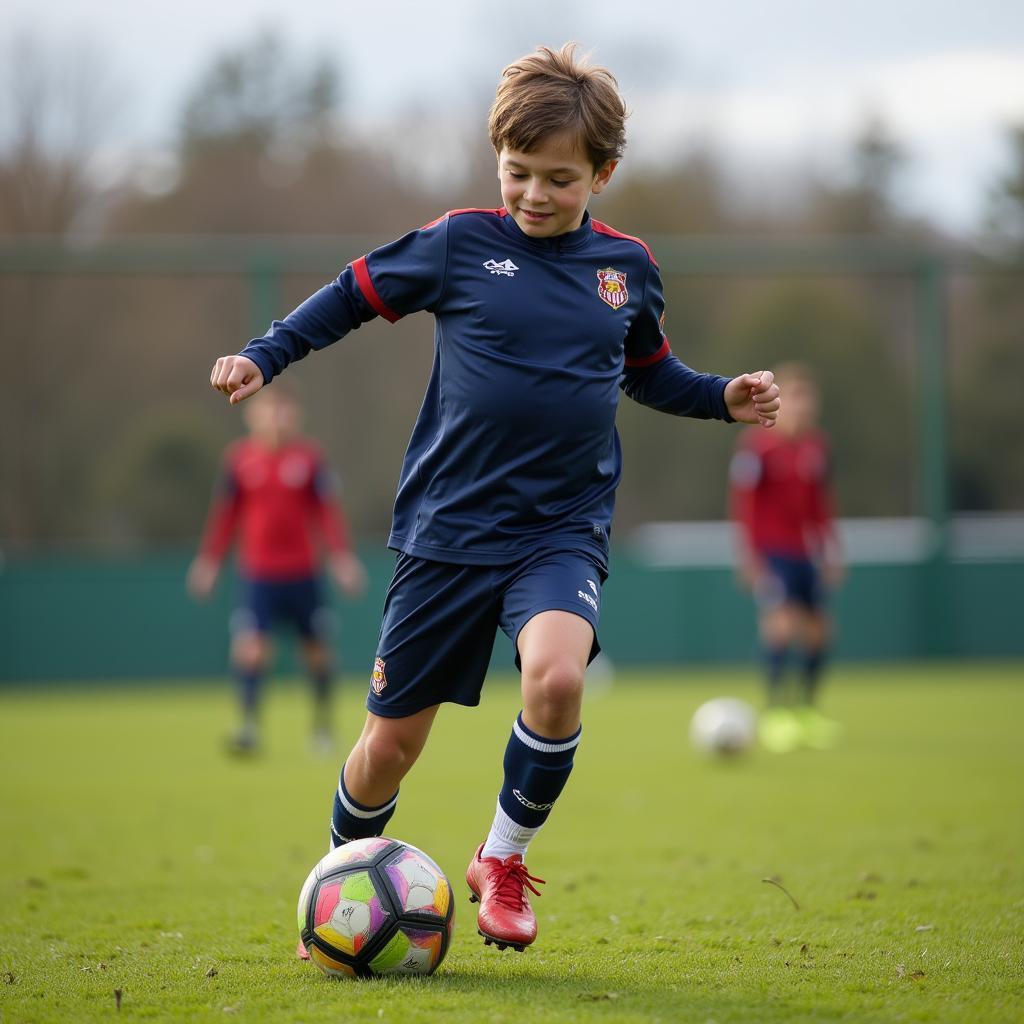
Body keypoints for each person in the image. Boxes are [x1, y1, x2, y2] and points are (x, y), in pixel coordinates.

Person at [207, 43, 781, 953]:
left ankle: (502, 858)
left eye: (560, 178)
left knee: (557, 678)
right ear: (497, 163)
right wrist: (265, 354)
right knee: (388, 749)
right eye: (518, 174)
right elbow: (350, 296)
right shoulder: (457, 244)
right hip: (447, 532)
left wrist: (718, 397)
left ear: (603, 172)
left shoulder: (626, 268)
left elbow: (648, 372)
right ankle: (341, 890)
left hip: (559, 531)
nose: (535, 194)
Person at [187, 385, 367, 755]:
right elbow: (226, 517)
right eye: (268, 411)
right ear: (252, 416)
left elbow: (327, 513)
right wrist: (209, 561)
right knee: (251, 649)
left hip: (304, 573)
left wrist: (342, 557)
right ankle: (249, 726)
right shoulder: (238, 460)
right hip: (259, 574)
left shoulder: (310, 458)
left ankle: (321, 729)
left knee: (316, 650)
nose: (275, 418)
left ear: (295, 416)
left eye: (282, 411)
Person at [729, 362, 844, 753]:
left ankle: (807, 712)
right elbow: (743, 505)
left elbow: (821, 505)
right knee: (780, 627)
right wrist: (749, 557)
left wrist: (831, 550)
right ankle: (776, 715)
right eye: (796, 400)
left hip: (804, 554)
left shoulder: (816, 448)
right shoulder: (758, 448)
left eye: (808, 401)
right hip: (772, 553)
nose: (803, 409)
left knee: (819, 632)